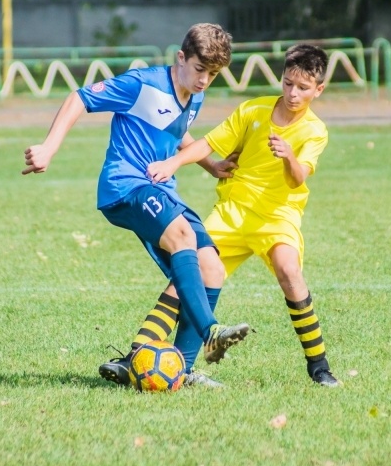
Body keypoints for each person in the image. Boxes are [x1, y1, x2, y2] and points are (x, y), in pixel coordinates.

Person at [101, 43, 340, 387]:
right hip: (232, 211)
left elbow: (298, 177)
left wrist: (288, 155)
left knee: (290, 272)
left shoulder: (315, 130)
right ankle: (136, 356)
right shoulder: (253, 111)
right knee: (188, 276)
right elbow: (208, 144)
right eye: (288, 83)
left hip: (277, 216)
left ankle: (319, 366)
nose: (292, 93)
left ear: (318, 90)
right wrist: (172, 163)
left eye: (303, 88)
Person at [22, 23, 250, 383]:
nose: (205, 80)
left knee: (212, 267)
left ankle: (183, 371)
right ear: (180, 57)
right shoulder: (142, 84)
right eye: (200, 70)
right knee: (182, 237)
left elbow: (176, 129)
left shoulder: (194, 92)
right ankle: (211, 332)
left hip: (161, 190)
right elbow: (79, 98)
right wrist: (49, 147)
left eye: (213, 74)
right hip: (126, 185)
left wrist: (211, 165)